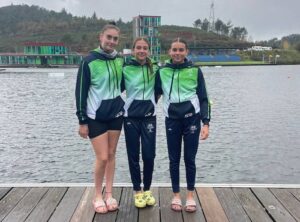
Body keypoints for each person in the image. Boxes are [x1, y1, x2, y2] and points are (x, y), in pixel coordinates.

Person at [155, 38, 210, 213]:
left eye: (181, 50)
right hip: (171, 119)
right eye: (174, 50)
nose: (177, 53)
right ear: (169, 52)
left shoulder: (195, 70)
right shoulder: (162, 71)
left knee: (189, 159)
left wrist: (206, 123)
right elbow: (154, 94)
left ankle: (191, 196)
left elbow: (203, 98)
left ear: (186, 52)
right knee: (174, 159)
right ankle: (176, 195)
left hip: (192, 119)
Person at [75, 23, 124, 214]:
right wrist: (82, 120)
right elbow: (80, 92)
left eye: (115, 39)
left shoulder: (119, 60)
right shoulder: (88, 61)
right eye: (109, 37)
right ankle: (97, 195)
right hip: (95, 116)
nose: (111, 41)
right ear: (100, 37)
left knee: (111, 154)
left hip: (116, 115)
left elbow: (121, 85)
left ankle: (109, 194)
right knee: (102, 157)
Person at [122, 37, 159, 208]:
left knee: (149, 155)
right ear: (133, 50)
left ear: (149, 50)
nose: (142, 50)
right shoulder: (126, 68)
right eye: (139, 48)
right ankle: (137, 190)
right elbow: (115, 88)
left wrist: (150, 104)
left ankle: (147, 189)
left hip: (149, 116)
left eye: (145, 48)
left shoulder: (155, 68)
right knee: (133, 155)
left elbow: (159, 90)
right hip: (130, 117)